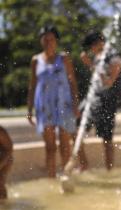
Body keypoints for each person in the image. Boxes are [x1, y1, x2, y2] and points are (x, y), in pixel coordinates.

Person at [27, 25, 80, 178]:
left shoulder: (64, 58)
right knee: (50, 147)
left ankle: (65, 177)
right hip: (44, 106)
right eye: (45, 39)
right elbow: (32, 85)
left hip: (64, 104)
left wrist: (76, 105)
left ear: (56, 41)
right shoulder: (35, 60)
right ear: (41, 41)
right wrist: (29, 110)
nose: (48, 42)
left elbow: (73, 83)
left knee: (65, 145)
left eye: (51, 39)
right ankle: (51, 178)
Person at [79, 31, 121, 171]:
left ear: (98, 43)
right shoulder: (98, 58)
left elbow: (109, 82)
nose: (90, 50)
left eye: (90, 46)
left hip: (106, 102)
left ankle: (109, 171)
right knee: (75, 129)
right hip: (92, 100)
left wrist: (90, 65)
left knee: (106, 138)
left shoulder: (114, 57)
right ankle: (83, 165)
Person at [0, 126, 13, 200]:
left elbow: (9, 149)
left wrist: (1, 164)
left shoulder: (0, 131)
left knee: (0, 182)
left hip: (4, 157)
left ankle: (4, 204)